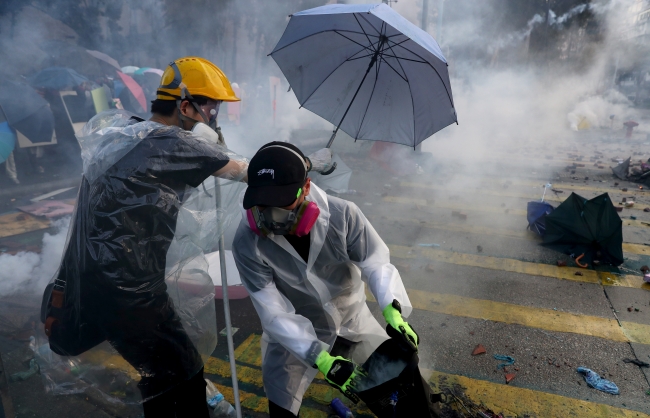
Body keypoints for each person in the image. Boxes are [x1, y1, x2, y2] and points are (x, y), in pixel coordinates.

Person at [42, 57, 248, 417]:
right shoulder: (174, 143)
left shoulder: (122, 133)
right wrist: (303, 165)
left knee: (161, 371)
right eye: (211, 109)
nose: (214, 118)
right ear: (185, 106)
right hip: (131, 292)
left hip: (93, 280)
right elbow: (249, 172)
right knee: (182, 373)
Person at [232, 142, 417, 417]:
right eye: (262, 204)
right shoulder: (247, 242)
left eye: (282, 202)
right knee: (282, 407)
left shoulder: (343, 216)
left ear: (306, 188)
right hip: (294, 334)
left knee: (399, 395)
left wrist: (392, 307)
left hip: (351, 320)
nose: (271, 216)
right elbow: (272, 312)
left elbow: (375, 261)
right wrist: (317, 355)